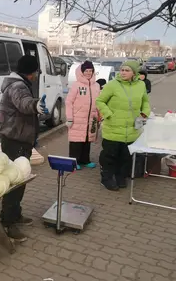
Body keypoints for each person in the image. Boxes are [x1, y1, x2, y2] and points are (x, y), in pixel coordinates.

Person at [0, 54, 47, 242]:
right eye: (35, 72)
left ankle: (15, 214)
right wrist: (36, 105)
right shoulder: (18, 86)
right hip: (15, 139)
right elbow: (24, 103)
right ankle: (7, 223)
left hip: (18, 138)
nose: (35, 75)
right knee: (15, 182)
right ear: (30, 72)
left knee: (20, 180)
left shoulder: (18, 82)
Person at [96, 61, 151, 191]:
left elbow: (145, 102)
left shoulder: (141, 85)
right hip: (113, 129)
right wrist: (108, 114)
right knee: (109, 156)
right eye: (122, 70)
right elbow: (100, 101)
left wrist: (144, 113)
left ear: (134, 73)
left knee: (125, 157)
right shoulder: (112, 85)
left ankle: (120, 176)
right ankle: (107, 178)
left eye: (127, 70)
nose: (123, 72)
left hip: (131, 129)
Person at [65, 61, 100, 170]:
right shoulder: (76, 85)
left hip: (91, 119)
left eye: (91, 71)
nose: (88, 73)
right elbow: (69, 102)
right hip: (77, 118)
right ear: (82, 72)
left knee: (87, 140)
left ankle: (85, 160)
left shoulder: (97, 86)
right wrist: (69, 118)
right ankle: (74, 162)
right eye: (86, 71)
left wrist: (99, 116)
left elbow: (99, 102)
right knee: (76, 142)